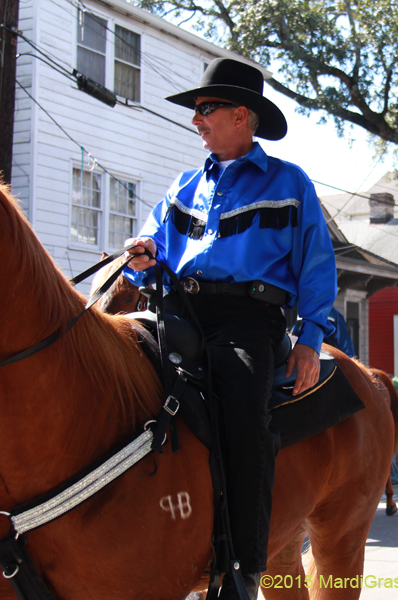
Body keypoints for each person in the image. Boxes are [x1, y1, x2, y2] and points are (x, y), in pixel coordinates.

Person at [123, 58, 337, 600]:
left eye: (205, 110)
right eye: (197, 111)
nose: (196, 120)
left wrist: (310, 340)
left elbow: (317, 267)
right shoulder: (184, 186)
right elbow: (149, 247)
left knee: (241, 410)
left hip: (249, 321)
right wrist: (142, 257)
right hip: (179, 310)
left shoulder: (290, 183)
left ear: (241, 115)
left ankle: (241, 569)